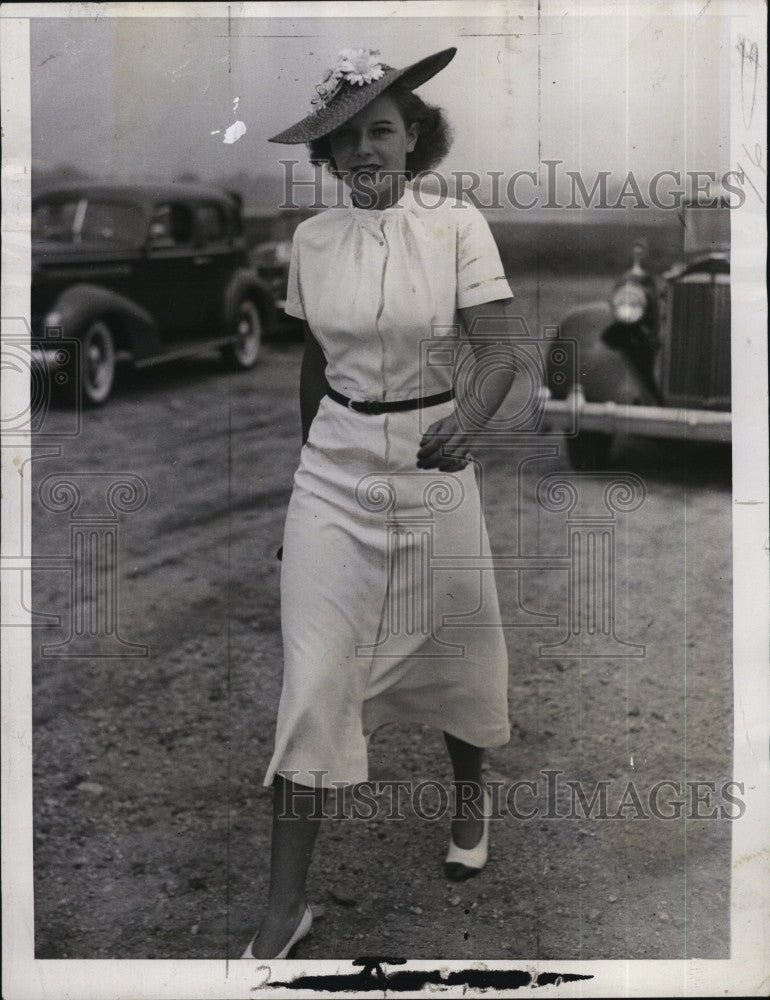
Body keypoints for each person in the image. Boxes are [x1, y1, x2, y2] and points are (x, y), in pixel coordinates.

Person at [243, 46, 517, 960]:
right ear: (328, 153)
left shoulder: (456, 224)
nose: (366, 149)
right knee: (314, 678)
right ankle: (285, 908)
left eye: (383, 131)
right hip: (334, 471)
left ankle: (470, 800)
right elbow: (314, 369)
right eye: (348, 137)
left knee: (459, 647)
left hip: (437, 462)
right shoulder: (312, 242)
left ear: (414, 140)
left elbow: (502, 351)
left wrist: (468, 422)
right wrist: (299, 499)